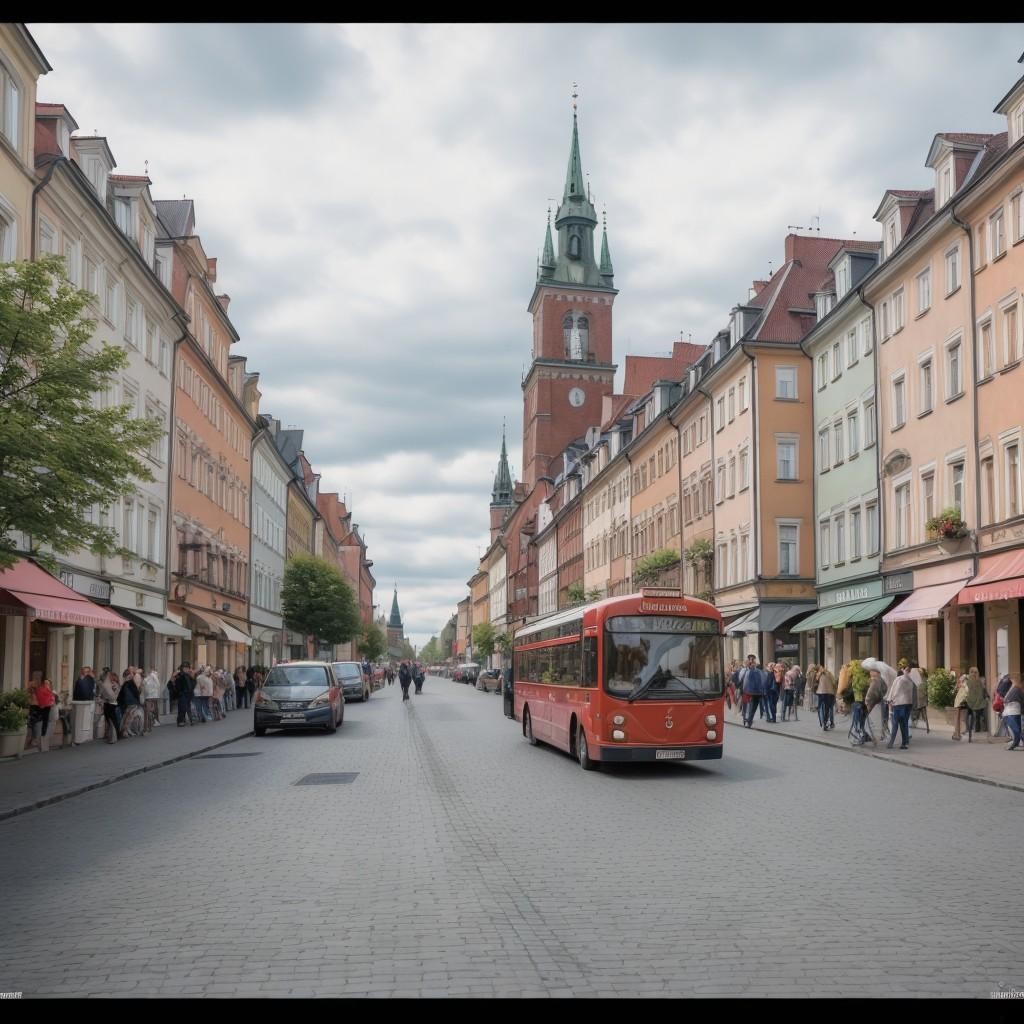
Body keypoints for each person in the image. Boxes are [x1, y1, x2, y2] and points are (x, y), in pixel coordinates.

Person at [951, 666, 986, 741]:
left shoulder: (975, 680)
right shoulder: (968, 678)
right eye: (972, 672)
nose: (973, 673)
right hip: (965, 700)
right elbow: (957, 686)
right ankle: (958, 732)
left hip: (967, 700)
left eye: (975, 672)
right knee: (959, 712)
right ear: (970, 672)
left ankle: (958, 732)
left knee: (959, 713)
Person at [885, 666, 915, 750]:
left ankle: (891, 742)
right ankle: (905, 743)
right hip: (908, 703)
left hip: (898, 704)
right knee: (904, 724)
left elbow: (895, 691)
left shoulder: (899, 679)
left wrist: (890, 699)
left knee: (895, 723)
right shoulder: (912, 680)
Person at [739, 654, 766, 728]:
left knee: (753, 707)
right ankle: (746, 720)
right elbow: (740, 679)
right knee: (747, 707)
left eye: (753, 660)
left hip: (756, 692)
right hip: (747, 692)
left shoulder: (758, 671)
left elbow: (761, 680)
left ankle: (749, 721)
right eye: (750, 660)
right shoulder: (745, 670)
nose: (752, 662)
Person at [117, 668, 144, 737]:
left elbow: (136, 692)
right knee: (128, 717)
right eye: (131, 673)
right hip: (130, 703)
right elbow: (134, 693)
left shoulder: (128, 683)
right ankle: (126, 731)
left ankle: (127, 731)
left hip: (130, 703)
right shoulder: (128, 683)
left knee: (129, 717)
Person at [99, 671, 120, 743]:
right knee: (110, 720)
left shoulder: (113, 684)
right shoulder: (112, 684)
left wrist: (106, 697)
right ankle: (112, 735)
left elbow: (113, 695)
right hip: (110, 703)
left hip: (111, 703)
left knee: (111, 720)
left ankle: (113, 737)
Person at [1002, 677, 1023, 750]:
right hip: (1012, 713)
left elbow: (1005, 700)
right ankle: (1016, 743)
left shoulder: (1013, 690)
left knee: (1016, 730)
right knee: (1017, 729)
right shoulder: (1017, 690)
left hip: (1010, 713)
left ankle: (1016, 743)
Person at [816, 664, 837, 731]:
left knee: (821, 708)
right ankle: (825, 723)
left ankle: (823, 723)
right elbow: (834, 682)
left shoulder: (818, 674)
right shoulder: (829, 674)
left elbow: (816, 681)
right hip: (828, 693)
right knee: (827, 708)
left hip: (820, 693)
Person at [994, 674, 1014, 739]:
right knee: (1006, 719)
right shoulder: (1008, 683)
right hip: (1004, 704)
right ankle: (1010, 735)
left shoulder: (1002, 682)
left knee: (1005, 719)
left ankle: (1010, 735)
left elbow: (997, 691)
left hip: (1001, 704)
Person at [143, 666, 161, 732]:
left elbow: (144, 683)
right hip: (154, 695)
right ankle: (152, 724)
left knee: (148, 711)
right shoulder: (154, 675)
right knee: (152, 709)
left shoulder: (152, 675)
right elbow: (158, 684)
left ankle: (147, 726)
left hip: (150, 695)